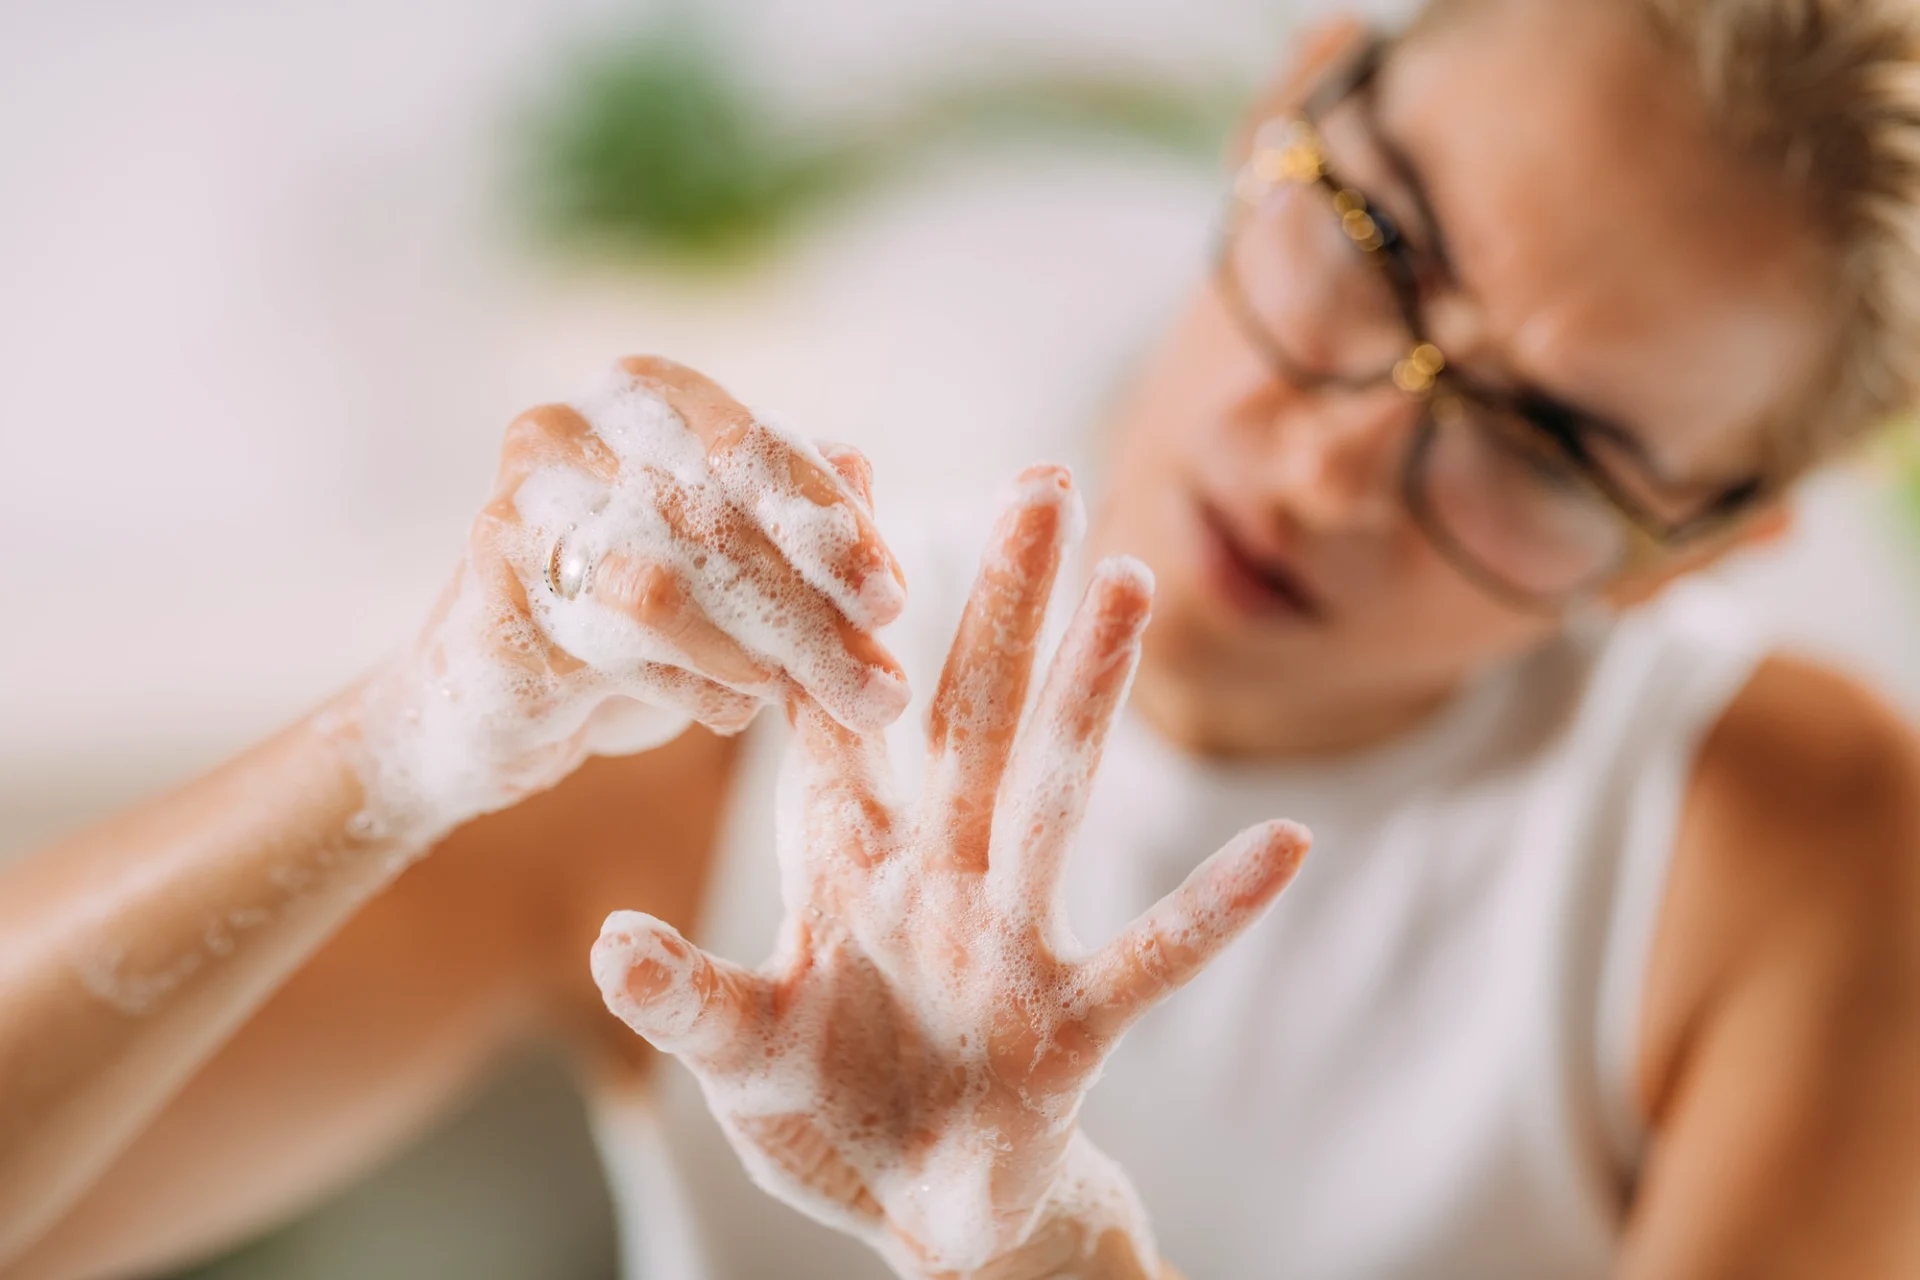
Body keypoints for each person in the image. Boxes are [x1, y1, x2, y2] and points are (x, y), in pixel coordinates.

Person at [4, 0, 1920, 1275]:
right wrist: (402, 746)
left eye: (1547, 440)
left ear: (1697, 547)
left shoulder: (1789, 853)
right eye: (1381, 241)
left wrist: (1040, 1249)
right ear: (1290, 103)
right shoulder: (730, 687)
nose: (1342, 455)